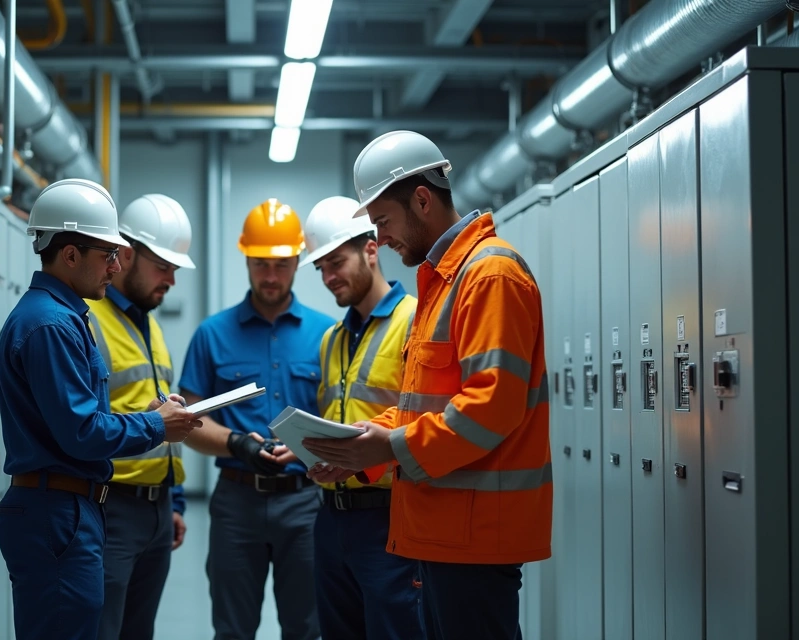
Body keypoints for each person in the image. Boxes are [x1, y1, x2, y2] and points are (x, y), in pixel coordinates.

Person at [302, 131, 552, 640]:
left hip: (477, 536)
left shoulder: (489, 276)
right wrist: (359, 450)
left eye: (384, 222)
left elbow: (491, 406)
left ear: (421, 199)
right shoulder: (441, 284)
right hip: (440, 530)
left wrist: (388, 445)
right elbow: (420, 408)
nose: (384, 239)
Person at [0, 179, 202, 640]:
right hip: (57, 511)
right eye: (107, 255)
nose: (114, 265)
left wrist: (149, 418)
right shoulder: (50, 324)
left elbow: (81, 418)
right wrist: (155, 425)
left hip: (69, 506)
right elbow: (82, 432)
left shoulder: (65, 317)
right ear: (70, 256)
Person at [178, 199, 336, 640]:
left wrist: (310, 449)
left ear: (298, 262)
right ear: (246, 259)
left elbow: (341, 419)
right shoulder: (212, 334)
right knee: (233, 630)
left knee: (307, 628)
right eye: (261, 264)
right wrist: (237, 443)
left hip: (306, 501)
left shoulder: (327, 335)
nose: (270, 276)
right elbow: (189, 420)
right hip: (236, 503)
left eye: (282, 265)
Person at [298, 195, 424, 638]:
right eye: (321, 269)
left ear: (371, 250)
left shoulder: (416, 321)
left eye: (336, 263)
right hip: (331, 518)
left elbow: (427, 420)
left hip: (390, 517)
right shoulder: (331, 340)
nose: (329, 278)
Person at [87, 194, 197, 640]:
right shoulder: (88, 319)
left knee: (138, 631)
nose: (171, 279)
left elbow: (157, 412)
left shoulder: (148, 323)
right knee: (103, 629)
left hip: (156, 508)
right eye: (163, 266)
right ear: (126, 255)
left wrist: (172, 500)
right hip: (111, 507)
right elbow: (84, 423)